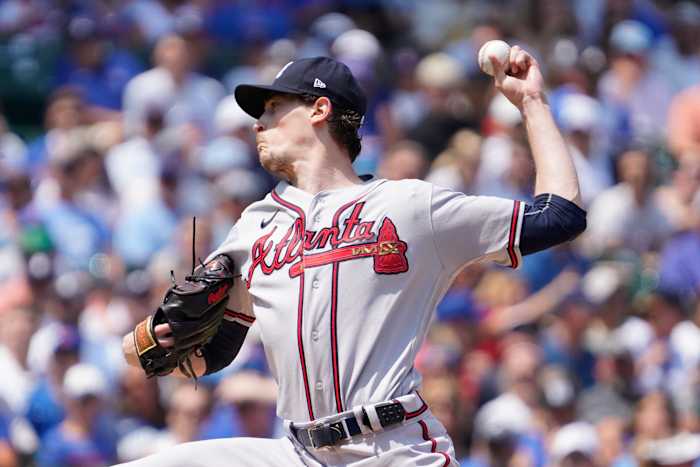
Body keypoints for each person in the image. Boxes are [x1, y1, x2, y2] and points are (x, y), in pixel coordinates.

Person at [117, 49, 586, 466]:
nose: (258, 123)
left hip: (392, 447)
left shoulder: (410, 207)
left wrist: (532, 104)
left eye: (275, 107)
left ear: (320, 109)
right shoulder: (254, 225)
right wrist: (149, 346)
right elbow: (212, 351)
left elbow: (560, 215)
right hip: (297, 452)